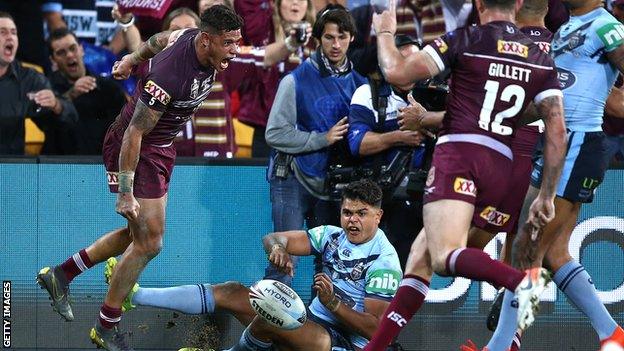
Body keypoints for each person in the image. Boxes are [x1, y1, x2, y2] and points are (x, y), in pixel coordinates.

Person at [362, 0, 569, 348]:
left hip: (460, 155)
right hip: (503, 167)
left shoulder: (466, 39)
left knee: (444, 257)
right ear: (516, 4)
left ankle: (523, 282)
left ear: (478, 3)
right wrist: (546, 195)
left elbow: (395, 72)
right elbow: (556, 130)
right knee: (421, 256)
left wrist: (385, 31)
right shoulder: (540, 57)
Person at [36, 5, 243, 350]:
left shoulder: (189, 37)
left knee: (139, 234)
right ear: (207, 41)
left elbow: (160, 38)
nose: (234, 51)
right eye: (229, 43)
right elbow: (134, 133)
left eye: (237, 42)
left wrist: (131, 58)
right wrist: (126, 192)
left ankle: (62, 275)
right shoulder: (168, 78)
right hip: (138, 146)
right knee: (150, 242)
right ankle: (106, 326)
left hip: (160, 147)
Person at [105, 179, 402, 351]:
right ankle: (135, 296)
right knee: (234, 291)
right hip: (310, 323)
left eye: (362, 214)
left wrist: (334, 304)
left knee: (271, 314)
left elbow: (378, 330)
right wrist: (278, 250)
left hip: (341, 344)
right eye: (347, 212)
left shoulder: (384, 262)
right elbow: (274, 237)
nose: (353, 220)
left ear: (378, 216)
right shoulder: (332, 235)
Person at [481, 1, 624, 350]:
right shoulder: (563, 29)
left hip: (577, 144)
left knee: (529, 246)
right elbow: (558, 95)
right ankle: (611, 333)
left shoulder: (606, 27)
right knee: (552, 253)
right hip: (556, 143)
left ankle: (503, 344)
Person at [264, 4, 367, 286]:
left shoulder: (361, 85)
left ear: (352, 39)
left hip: (333, 183)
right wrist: (322, 138)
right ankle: (267, 330)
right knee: (283, 259)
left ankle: (322, 328)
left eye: (342, 38)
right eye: (330, 37)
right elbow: (274, 134)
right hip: (292, 178)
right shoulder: (294, 80)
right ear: (318, 39)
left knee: (332, 263)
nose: (336, 45)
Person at [347, 34, 427, 268]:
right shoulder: (368, 93)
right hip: (383, 197)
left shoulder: (437, 95)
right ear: (388, 63)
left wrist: (428, 121)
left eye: (416, 60)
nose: (411, 68)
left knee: (411, 271)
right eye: (403, 60)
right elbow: (358, 143)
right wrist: (399, 137)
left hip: (425, 198)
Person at [234, 0, 317, 157]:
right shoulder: (263, 30)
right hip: (266, 129)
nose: (295, 2)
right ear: (277, 4)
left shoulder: (319, 38)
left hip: (306, 129)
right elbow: (246, 5)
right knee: (260, 181)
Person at [0, 11, 78, 155]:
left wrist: (56, 105)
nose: (10, 36)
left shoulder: (29, 79)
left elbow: (70, 117)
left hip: (11, 169)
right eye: (3, 32)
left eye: (13, 32)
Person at [46, 27, 127, 155]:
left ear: (82, 49)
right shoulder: (48, 88)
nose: (69, 55)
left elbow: (124, 130)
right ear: (53, 60)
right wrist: (71, 95)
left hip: (100, 164)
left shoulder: (109, 89)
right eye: (61, 52)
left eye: (73, 48)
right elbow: (44, 123)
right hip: (59, 164)